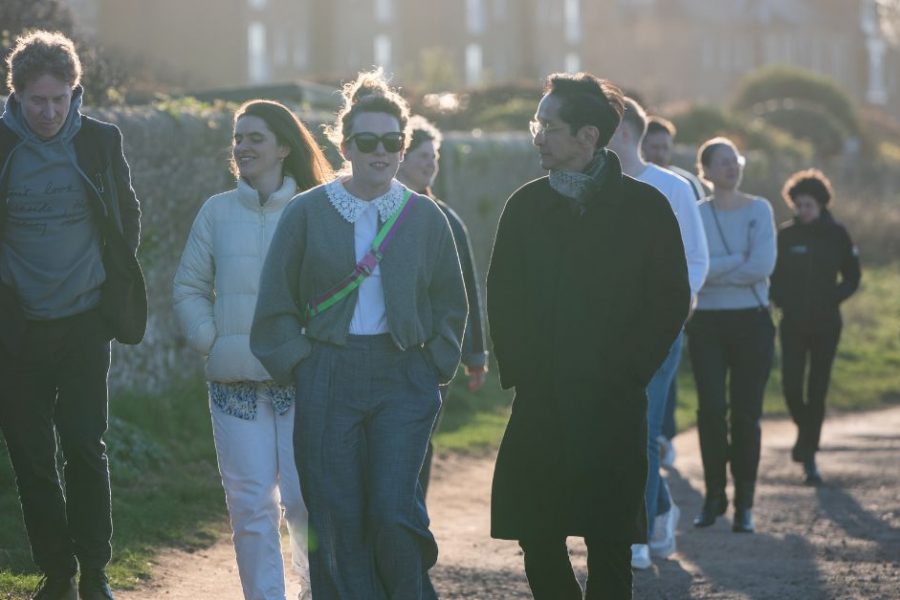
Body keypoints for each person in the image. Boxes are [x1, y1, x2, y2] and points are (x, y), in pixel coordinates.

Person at [249, 69, 467, 599]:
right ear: (344, 146)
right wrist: (303, 362)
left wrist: (433, 364)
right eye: (367, 141)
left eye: (392, 141)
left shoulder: (426, 217)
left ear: (403, 145)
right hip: (328, 374)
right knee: (337, 514)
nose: (381, 151)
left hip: (403, 375)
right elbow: (275, 304)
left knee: (395, 510)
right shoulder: (306, 212)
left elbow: (451, 305)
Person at [487, 73, 690, 600]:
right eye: (537, 124)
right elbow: (502, 298)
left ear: (587, 137)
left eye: (548, 126)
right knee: (536, 533)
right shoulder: (525, 207)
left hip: (612, 402)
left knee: (609, 543)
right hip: (542, 400)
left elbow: (669, 300)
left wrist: (628, 372)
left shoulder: (646, 209)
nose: (537, 136)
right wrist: (525, 373)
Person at [0, 31, 145, 600]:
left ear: (74, 92)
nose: (50, 112)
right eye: (38, 100)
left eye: (60, 99)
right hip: (16, 328)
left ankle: (95, 571)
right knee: (31, 458)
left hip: (85, 321)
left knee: (85, 445)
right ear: (16, 95)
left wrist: (109, 283)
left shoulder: (100, 141)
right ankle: (56, 573)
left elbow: (126, 215)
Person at [173, 100, 332, 600]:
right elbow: (188, 287)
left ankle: (313, 591)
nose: (242, 146)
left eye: (255, 137)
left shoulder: (317, 208)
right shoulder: (215, 212)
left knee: (306, 502)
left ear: (285, 146)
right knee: (250, 506)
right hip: (234, 384)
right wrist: (212, 341)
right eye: (238, 137)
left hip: (301, 381)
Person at [607, 97, 709, 568]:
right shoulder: (598, 187)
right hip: (605, 333)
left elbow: (696, 257)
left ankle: (637, 536)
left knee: (643, 429)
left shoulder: (672, 188)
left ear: (625, 133)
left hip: (659, 332)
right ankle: (661, 506)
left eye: (602, 129)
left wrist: (676, 312)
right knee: (612, 428)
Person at [687, 137, 776, 534]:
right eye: (721, 162)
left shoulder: (761, 210)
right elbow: (693, 269)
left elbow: (761, 265)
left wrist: (717, 270)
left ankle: (744, 503)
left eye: (735, 160)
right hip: (706, 322)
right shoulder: (695, 214)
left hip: (752, 322)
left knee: (746, 414)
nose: (731, 167)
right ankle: (713, 497)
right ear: (705, 171)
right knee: (710, 411)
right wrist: (734, 262)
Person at [396, 114, 488, 495]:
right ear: (400, 157)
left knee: (418, 441)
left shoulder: (448, 219)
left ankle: (412, 522)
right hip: (383, 348)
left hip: (433, 351)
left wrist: (475, 354)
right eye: (422, 155)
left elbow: (467, 288)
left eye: (434, 155)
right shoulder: (373, 212)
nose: (431, 162)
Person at [770, 169, 860, 485]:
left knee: (817, 389)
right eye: (798, 205)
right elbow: (772, 276)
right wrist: (780, 300)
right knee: (792, 387)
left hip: (826, 324)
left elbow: (853, 276)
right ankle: (806, 433)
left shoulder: (837, 235)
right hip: (793, 322)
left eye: (808, 205)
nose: (802, 210)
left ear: (821, 204)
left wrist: (831, 298)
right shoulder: (785, 235)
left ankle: (808, 454)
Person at [641, 115, 707, 470]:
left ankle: (665, 437)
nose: (661, 153)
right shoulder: (630, 184)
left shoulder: (686, 186)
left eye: (666, 148)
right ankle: (656, 441)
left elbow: (698, 244)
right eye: (654, 147)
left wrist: (688, 295)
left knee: (668, 378)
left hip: (678, 298)